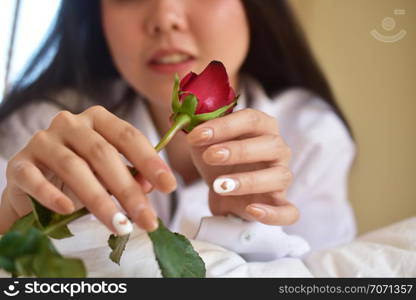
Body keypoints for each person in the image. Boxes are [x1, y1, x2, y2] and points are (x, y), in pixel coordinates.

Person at [0, 0, 356, 260]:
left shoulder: (311, 134)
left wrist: (245, 228)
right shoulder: (44, 128)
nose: (164, 17)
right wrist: (16, 224)